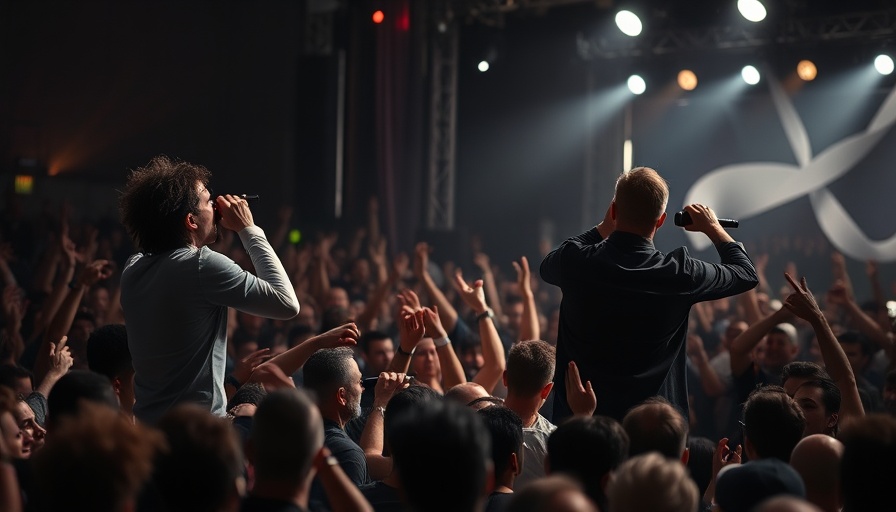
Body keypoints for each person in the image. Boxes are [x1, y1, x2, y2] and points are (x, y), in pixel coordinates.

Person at [540, 167, 758, 423]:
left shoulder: (577, 263)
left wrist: (603, 227)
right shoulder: (680, 274)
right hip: (650, 428)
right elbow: (745, 273)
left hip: (580, 425)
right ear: (662, 220)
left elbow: (548, 265)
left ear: (613, 211)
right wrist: (713, 228)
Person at [118, 156, 300, 424]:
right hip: (197, 437)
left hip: (148, 430)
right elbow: (286, 303)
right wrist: (248, 228)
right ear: (191, 220)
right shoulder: (200, 264)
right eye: (207, 200)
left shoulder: (132, 268)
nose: (216, 205)